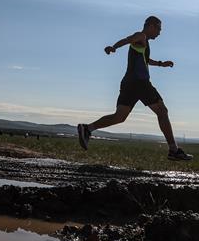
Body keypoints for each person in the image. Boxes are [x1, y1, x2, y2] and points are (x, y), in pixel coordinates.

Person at [77, 16, 192, 161]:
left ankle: (87, 129)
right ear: (151, 26)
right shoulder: (141, 35)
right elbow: (127, 39)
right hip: (140, 83)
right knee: (162, 111)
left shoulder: (144, 42)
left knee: (119, 117)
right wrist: (114, 47)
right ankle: (173, 150)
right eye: (159, 29)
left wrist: (161, 64)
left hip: (128, 83)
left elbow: (145, 59)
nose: (159, 33)